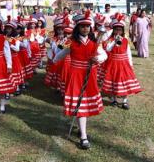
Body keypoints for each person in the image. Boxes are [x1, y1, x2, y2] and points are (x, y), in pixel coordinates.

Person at [53, 10, 107, 150]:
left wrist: (98, 59)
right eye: (82, 26)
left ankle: (81, 128)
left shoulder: (95, 41)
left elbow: (104, 55)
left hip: (90, 74)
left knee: (84, 105)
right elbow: (62, 53)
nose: (85, 28)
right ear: (78, 27)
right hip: (76, 75)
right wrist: (54, 59)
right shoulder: (71, 41)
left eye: (87, 26)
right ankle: (83, 136)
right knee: (80, 104)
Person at [102, 13, 142, 109]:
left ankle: (124, 101)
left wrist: (131, 64)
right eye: (116, 29)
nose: (118, 31)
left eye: (120, 30)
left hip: (124, 64)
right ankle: (115, 100)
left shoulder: (125, 40)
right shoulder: (110, 39)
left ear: (122, 30)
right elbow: (107, 49)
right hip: (114, 64)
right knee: (114, 82)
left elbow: (128, 53)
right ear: (113, 30)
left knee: (124, 82)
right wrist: (114, 42)